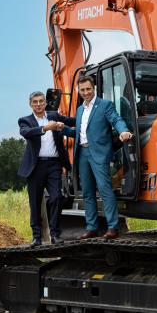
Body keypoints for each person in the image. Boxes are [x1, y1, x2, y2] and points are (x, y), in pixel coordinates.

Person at [62, 75, 133, 239]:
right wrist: (64, 128)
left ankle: (113, 227)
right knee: (87, 193)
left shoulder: (104, 105)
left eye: (88, 89)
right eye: (82, 90)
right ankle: (92, 227)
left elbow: (116, 119)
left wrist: (123, 130)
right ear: (78, 90)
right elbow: (80, 133)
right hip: (83, 154)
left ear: (93, 88)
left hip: (99, 154)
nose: (86, 92)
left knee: (105, 189)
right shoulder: (80, 109)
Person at [17, 91, 74, 247]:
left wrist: (64, 125)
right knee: (35, 202)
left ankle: (55, 234)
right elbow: (26, 133)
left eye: (41, 101)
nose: (38, 104)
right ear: (30, 104)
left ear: (45, 103)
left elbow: (72, 120)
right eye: (35, 102)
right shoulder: (25, 120)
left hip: (54, 165)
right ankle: (36, 237)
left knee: (56, 197)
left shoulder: (54, 115)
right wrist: (45, 128)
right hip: (35, 167)